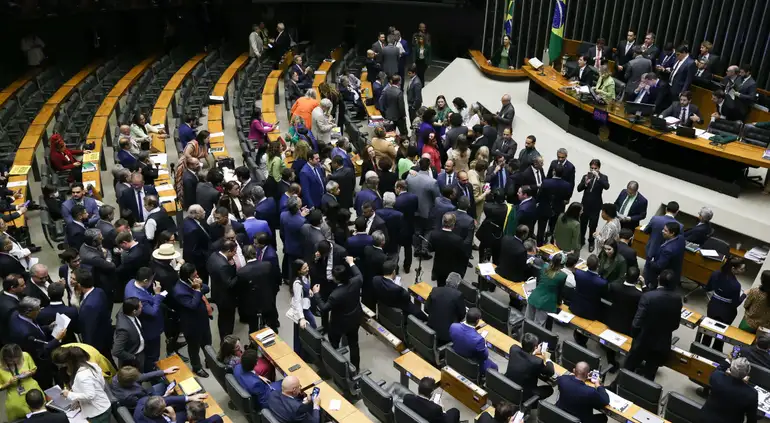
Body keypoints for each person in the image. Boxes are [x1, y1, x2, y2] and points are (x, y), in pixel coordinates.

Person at [624, 269, 682, 380]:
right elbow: (675, 325)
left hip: (643, 341)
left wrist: (636, 336)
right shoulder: (677, 299)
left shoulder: (648, 297)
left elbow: (637, 323)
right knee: (650, 376)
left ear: (659, 279)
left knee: (628, 369)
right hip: (661, 344)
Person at [313, 257, 363, 370]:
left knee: (334, 345)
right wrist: (351, 262)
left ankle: (335, 367)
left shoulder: (335, 295)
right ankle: (356, 369)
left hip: (338, 324)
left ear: (336, 279)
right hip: (355, 318)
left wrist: (316, 294)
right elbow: (358, 272)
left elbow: (324, 308)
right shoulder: (357, 281)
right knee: (354, 344)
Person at [701, 257, 747, 352]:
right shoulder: (736, 285)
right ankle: (716, 352)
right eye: (741, 269)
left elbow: (707, 288)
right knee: (720, 335)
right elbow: (735, 304)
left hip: (713, 307)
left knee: (708, 330)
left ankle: (702, 349)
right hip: (727, 313)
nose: (743, 271)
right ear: (733, 269)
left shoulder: (715, 274)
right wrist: (744, 295)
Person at [604, 266, 643, 369]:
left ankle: (611, 362)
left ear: (625, 275)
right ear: (637, 279)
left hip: (612, 321)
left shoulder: (614, 286)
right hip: (628, 326)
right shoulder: (639, 295)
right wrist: (644, 285)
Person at [60, 347, 112, 423]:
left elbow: (90, 395)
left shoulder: (82, 375)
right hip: (103, 404)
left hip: (97, 412)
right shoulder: (92, 365)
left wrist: (69, 394)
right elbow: (101, 383)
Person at [701, 358, 758, 423]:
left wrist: (728, 360)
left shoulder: (717, 377)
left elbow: (718, 369)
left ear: (730, 369)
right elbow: (752, 419)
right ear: (747, 373)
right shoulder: (751, 393)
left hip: (706, 420)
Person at [505, 333, 555, 402]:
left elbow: (526, 358)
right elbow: (551, 372)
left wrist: (533, 353)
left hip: (508, 384)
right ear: (535, 347)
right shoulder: (537, 361)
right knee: (549, 390)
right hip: (524, 393)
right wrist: (547, 358)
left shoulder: (513, 348)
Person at [75, 269, 113, 359]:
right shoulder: (99, 291)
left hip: (97, 343)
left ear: (79, 285)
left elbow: (89, 330)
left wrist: (89, 350)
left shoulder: (89, 306)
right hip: (105, 334)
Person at [0, 344, 42, 421]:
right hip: (14, 395)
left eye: (16, 358)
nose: (14, 361)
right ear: (4, 358)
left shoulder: (25, 355)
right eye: (10, 359)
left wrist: (29, 373)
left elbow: (34, 369)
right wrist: (9, 383)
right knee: (17, 415)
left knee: (40, 415)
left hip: (32, 389)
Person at [449, 308, 497, 372]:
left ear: (466, 316)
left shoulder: (453, 326)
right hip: (471, 364)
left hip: (455, 357)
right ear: (477, 321)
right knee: (495, 367)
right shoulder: (479, 340)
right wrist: (484, 344)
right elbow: (485, 356)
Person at [111, 364, 179, 410]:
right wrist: (166, 395)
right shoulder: (128, 397)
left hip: (144, 393)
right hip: (146, 404)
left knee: (165, 385)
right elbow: (148, 406)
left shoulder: (119, 376)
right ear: (131, 382)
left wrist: (164, 371)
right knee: (176, 400)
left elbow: (143, 376)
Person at [577, 159, 610, 253]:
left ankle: (591, 241)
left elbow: (606, 186)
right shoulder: (586, 176)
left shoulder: (603, 177)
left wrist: (598, 177)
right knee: (582, 224)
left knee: (593, 225)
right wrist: (585, 183)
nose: (593, 170)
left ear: (599, 168)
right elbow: (579, 189)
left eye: (595, 168)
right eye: (591, 168)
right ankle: (581, 240)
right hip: (585, 204)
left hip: (595, 205)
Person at [527, 252, 567, 326]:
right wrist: (559, 302)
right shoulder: (562, 276)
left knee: (527, 320)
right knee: (537, 326)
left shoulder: (544, 266)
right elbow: (560, 291)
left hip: (534, 296)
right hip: (546, 302)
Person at [428, 214, 468, 286]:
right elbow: (462, 256)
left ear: (442, 222)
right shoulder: (458, 240)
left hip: (438, 267)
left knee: (440, 285)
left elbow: (430, 249)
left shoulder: (434, 234)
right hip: (452, 269)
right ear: (453, 224)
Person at [643, 221, 685, 289]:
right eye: (663, 229)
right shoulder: (681, 238)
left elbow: (659, 266)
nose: (662, 231)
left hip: (662, 275)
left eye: (665, 230)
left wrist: (651, 261)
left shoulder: (668, 250)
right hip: (675, 271)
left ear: (672, 233)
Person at [536, 165, 571, 245]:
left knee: (541, 228)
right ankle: (551, 243)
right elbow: (567, 198)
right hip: (558, 209)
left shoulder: (546, 182)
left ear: (554, 171)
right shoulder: (567, 185)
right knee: (554, 228)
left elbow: (539, 195)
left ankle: (539, 244)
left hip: (544, 208)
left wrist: (537, 203)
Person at [112, 297, 147, 369]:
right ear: (134, 311)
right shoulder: (124, 329)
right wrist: (133, 357)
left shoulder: (124, 310)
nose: (142, 307)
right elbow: (116, 351)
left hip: (138, 350)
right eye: (140, 307)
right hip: (132, 360)